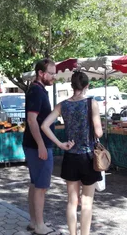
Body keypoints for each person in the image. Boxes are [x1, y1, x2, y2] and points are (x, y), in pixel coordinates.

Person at [41, 71, 102, 235]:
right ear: (86, 86)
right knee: (87, 202)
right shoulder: (92, 103)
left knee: (72, 201)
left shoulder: (62, 105)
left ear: (72, 86)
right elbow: (99, 133)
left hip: (70, 157)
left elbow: (45, 125)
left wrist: (60, 144)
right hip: (88, 157)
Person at [22, 58, 75, 235]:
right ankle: (39, 225)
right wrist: (41, 145)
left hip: (36, 145)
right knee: (41, 187)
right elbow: (31, 120)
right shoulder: (36, 92)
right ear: (41, 73)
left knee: (35, 184)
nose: (54, 77)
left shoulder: (37, 90)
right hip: (38, 146)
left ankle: (34, 222)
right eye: (51, 73)